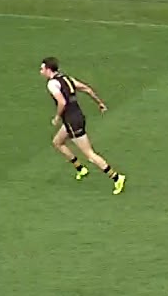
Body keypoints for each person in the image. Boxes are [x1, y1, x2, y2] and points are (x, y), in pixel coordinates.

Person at [39, 57, 126, 194]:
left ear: (49, 70)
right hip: (77, 117)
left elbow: (62, 102)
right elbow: (86, 88)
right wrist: (99, 103)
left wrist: (56, 117)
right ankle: (80, 168)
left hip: (72, 121)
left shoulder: (52, 84)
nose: (41, 71)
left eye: (42, 68)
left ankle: (116, 177)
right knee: (57, 142)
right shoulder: (66, 78)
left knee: (89, 154)